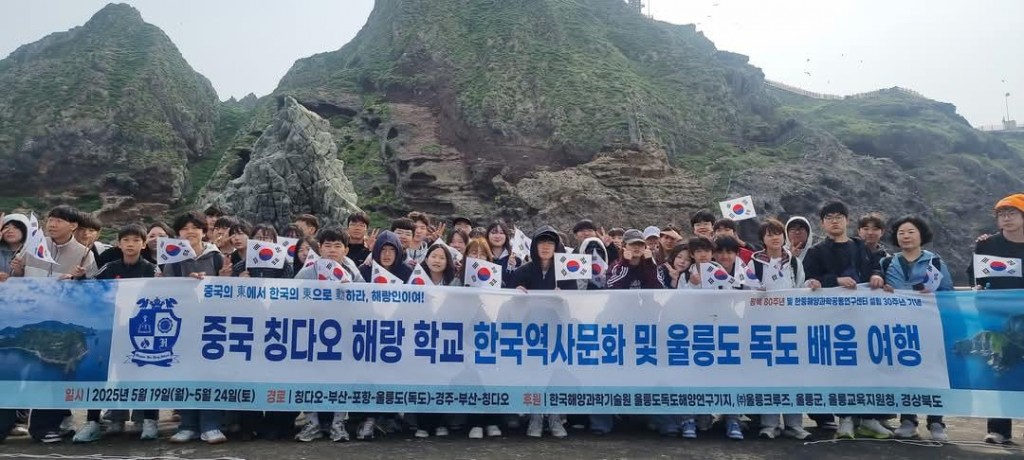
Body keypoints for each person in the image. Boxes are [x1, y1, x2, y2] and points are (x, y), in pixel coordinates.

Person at [9, 205, 98, 443]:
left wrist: (80, 278)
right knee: (16, 371)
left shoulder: (84, 254)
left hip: (60, 326)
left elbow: (94, 292)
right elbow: (17, 281)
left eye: (59, 220)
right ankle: (5, 425)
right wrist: (16, 272)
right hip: (26, 321)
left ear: (73, 225)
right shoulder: (33, 245)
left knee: (53, 375)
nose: (52, 224)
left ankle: (43, 429)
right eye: (50, 219)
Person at [802, 201, 888, 440]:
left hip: (865, 317)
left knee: (870, 364)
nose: (835, 221)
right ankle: (846, 419)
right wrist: (835, 281)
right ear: (822, 223)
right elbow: (810, 281)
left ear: (847, 220)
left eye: (839, 216)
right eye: (829, 217)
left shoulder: (861, 247)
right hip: (834, 320)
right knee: (842, 369)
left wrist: (876, 276)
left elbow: (876, 268)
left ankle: (870, 418)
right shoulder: (816, 252)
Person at [73, 224, 160, 443]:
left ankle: (150, 420)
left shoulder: (152, 269)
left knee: (146, 373)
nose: (130, 244)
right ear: (119, 243)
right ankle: (94, 421)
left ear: (143, 244)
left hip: (143, 331)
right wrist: (80, 279)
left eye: (136, 240)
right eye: (126, 240)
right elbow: (92, 290)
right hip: (111, 329)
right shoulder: (110, 268)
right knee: (104, 374)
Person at [879, 216, 951, 442]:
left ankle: (936, 421)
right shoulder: (887, 263)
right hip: (898, 327)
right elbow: (874, 291)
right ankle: (908, 420)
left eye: (911, 231)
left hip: (928, 327)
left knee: (932, 373)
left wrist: (934, 295)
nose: (906, 236)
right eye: (901, 233)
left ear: (921, 235)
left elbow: (949, 292)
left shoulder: (935, 262)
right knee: (903, 373)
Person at [162, 212, 228, 445]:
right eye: (184, 228)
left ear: (203, 231)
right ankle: (187, 424)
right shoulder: (171, 258)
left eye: (195, 227)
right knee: (185, 373)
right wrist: (183, 283)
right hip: (182, 323)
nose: (190, 231)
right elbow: (166, 290)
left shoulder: (216, 256)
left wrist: (224, 277)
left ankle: (211, 425)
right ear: (177, 233)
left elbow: (227, 289)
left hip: (212, 324)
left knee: (211, 374)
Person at [750, 219, 811, 440]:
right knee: (769, 376)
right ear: (762, 240)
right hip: (764, 327)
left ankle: (794, 423)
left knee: (793, 376)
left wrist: (811, 285)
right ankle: (770, 424)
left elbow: (801, 287)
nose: (775, 238)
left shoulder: (794, 262)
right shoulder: (755, 263)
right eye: (769, 234)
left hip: (791, 325)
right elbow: (746, 292)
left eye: (778, 233)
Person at [514, 227, 577, 438]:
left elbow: (576, 302)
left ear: (557, 247)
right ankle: (536, 416)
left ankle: (555, 416)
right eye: (541, 242)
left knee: (557, 375)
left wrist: (564, 296)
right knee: (533, 376)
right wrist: (515, 293)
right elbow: (506, 297)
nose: (546, 246)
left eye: (550, 243)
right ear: (534, 246)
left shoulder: (566, 273)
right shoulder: (523, 271)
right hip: (530, 333)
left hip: (557, 333)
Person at [972, 194, 1024, 445]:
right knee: (999, 368)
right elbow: (977, 277)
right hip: (997, 318)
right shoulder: (987, 245)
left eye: (1012, 213)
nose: (1006, 218)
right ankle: (998, 429)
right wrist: (979, 289)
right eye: (1002, 214)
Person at [486, 221, 521, 287]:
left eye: (501, 233)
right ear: (487, 235)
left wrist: (513, 268)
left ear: (506, 236)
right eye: (493, 233)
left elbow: (520, 282)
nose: (497, 236)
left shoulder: (516, 258)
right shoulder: (482, 256)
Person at [0, 213, 28, 280]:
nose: (10, 231)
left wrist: (19, 272)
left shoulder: (30, 253)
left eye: (16, 227)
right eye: (6, 227)